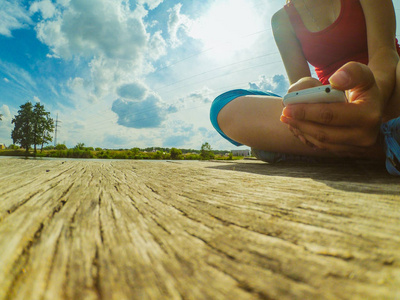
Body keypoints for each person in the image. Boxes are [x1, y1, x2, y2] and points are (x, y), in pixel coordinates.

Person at [210, 0, 400, 175]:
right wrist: (303, 90)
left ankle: (334, 149)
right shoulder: (282, 19)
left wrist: (371, 102)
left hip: (390, 88)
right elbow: (300, 82)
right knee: (224, 107)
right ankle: (384, 140)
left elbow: (384, 53)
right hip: (336, 106)